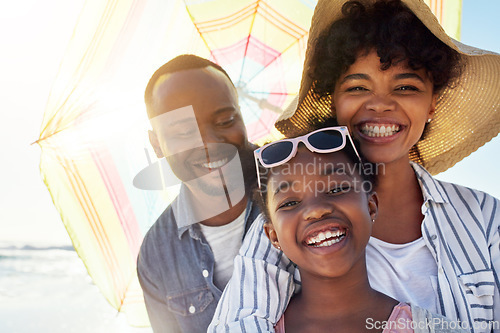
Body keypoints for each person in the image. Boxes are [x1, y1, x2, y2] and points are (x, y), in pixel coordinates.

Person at [209, 0, 500, 332]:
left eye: (406, 87)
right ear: (334, 98)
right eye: (358, 87)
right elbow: (240, 322)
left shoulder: (484, 217)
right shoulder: (281, 228)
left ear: (433, 101)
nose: (379, 104)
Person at [255, 125, 467, 332]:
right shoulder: (251, 326)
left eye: (337, 188)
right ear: (273, 236)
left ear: (371, 207)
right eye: (289, 203)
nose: (316, 210)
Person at [136, 55, 260, 332]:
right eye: (183, 132)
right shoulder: (156, 254)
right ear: (157, 144)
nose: (210, 144)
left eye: (226, 121)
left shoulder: (300, 183)